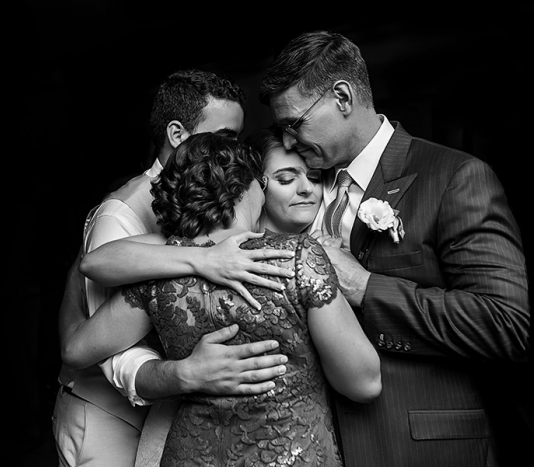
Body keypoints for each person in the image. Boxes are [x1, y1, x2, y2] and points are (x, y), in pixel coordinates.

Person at [258, 30, 530, 467]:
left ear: (343, 97)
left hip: (419, 448)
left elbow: (506, 325)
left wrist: (366, 286)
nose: (288, 142)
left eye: (294, 124)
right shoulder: (298, 187)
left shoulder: (454, 177)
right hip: (313, 447)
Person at [66, 132, 381, 466]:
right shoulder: (297, 258)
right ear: (242, 188)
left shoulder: (157, 271)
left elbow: (77, 350)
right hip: (292, 452)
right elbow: (364, 383)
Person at [53, 69, 295, 467]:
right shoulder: (120, 216)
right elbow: (108, 353)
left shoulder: (219, 207)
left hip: (173, 418)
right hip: (108, 417)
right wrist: (186, 374)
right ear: (178, 135)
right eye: (224, 138)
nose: (231, 153)